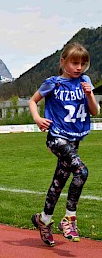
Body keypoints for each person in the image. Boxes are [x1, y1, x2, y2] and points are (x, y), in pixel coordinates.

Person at [28, 42, 99, 246]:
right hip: (57, 137)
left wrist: (89, 94)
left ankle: (44, 220)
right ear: (63, 61)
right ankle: (69, 218)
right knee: (82, 172)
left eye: (83, 64)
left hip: (74, 139)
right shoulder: (53, 83)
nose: (79, 68)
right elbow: (33, 101)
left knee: (59, 183)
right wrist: (37, 118)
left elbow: (94, 111)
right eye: (74, 63)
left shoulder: (85, 82)